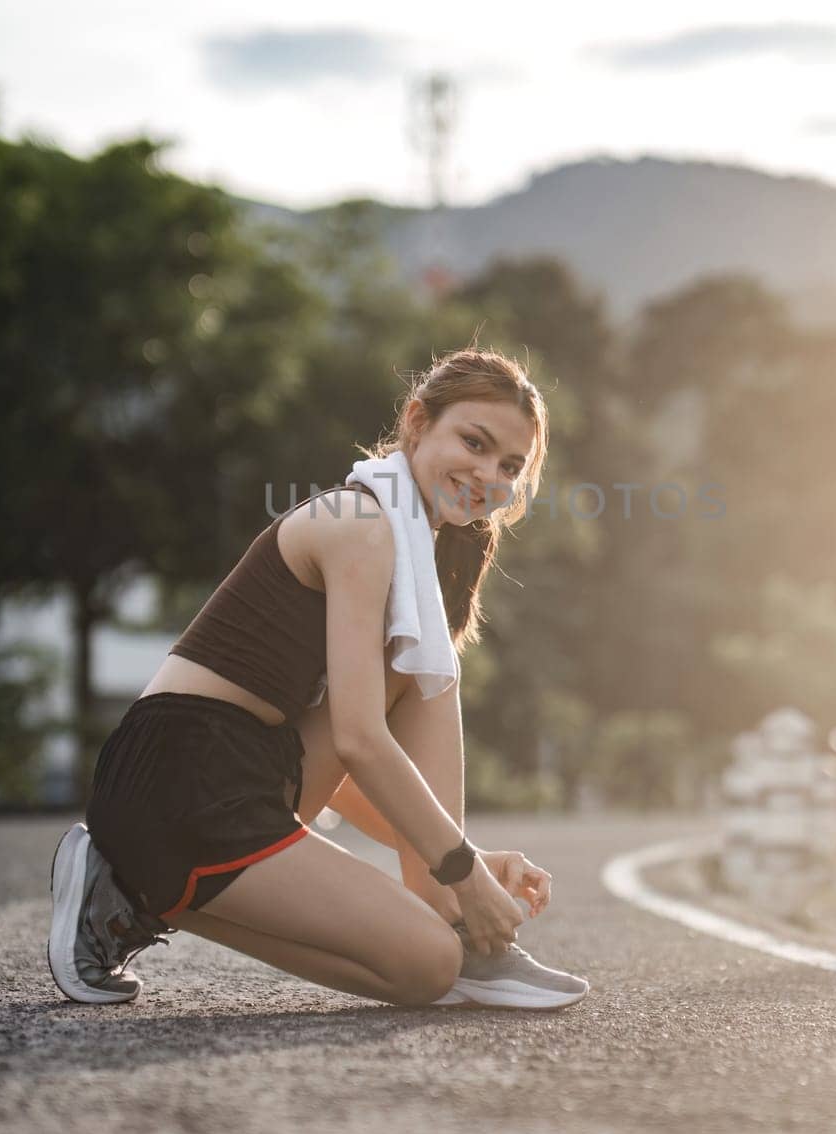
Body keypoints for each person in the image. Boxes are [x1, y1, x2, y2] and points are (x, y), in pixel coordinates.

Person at [49, 347, 589, 1012]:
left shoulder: (418, 549)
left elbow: (350, 757)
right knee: (427, 962)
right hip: (178, 776)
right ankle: (131, 887)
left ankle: (456, 929)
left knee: (427, 971)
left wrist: (460, 855)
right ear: (417, 422)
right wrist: (465, 870)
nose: (487, 475)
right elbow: (361, 739)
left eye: (509, 466)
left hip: (253, 769)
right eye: (473, 443)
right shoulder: (358, 523)